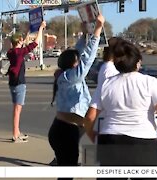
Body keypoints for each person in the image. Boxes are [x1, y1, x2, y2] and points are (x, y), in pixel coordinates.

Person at [84, 40, 157, 168]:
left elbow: (90, 116)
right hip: (143, 141)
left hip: (110, 139)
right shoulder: (150, 82)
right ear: (138, 62)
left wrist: (91, 134)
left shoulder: (105, 84)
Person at [48, 14, 104, 175]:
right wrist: (97, 30)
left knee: (66, 171)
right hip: (66, 132)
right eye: (76, 61)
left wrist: (85, 34)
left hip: (66, 130)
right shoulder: (71, 77)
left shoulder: (66, 74)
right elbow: (87, 59)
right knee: (67, 174)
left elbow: (79, 52)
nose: (78, 62)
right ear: (73, 64)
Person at [7, 21, 46, 143]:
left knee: (16, 108)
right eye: (21, 40)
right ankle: (15, 134)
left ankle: (17, 131)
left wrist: (29, 31)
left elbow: (24, 42)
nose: (22, 41)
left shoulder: (11, 52)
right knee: (17, 110)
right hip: (19, 83)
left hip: (13, 83)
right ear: (18, 42)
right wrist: (40, 29)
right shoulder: (19, 53)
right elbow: (35, 43)